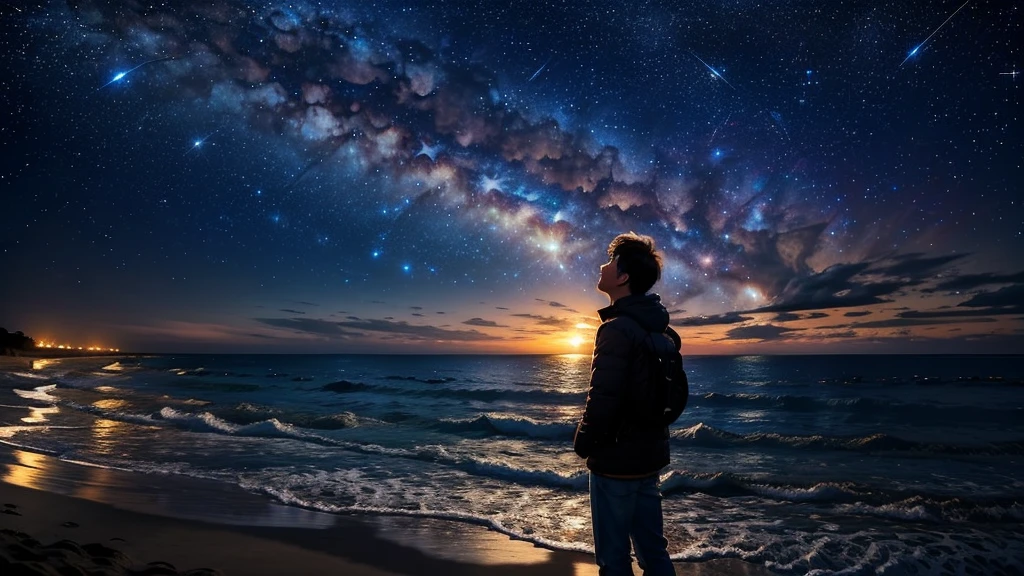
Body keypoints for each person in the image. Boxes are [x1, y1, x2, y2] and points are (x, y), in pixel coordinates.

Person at [573, 232, 677, 576]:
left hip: (616, 461)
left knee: (614, 559)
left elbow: (603, 396)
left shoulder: (616, 329)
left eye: (610, 263)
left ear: (623, 277)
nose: (602, 266)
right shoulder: (659, 329)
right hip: (649, 457)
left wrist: (584, 442)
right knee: (653, 551)